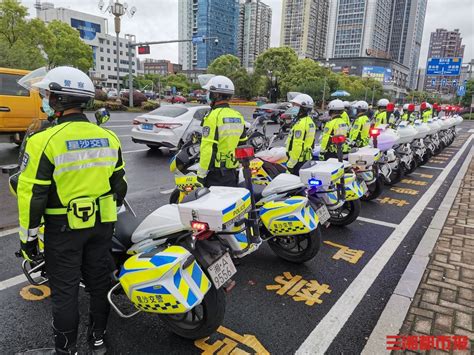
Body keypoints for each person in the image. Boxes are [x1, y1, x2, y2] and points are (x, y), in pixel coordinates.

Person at [17, 66, 127, 354]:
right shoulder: (109, 138)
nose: (46, 99)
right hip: (102, 227)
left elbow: (32, 196)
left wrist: (28, 240)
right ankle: (98, 340)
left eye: (48, 94)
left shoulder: (44, 141)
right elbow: (120, 187)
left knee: (65, 292)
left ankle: (66, 350)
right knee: (98, 284)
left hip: (63, 230)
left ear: (57, 100)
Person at [197, 75, 246, 188]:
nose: (207, 95)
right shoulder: (238, 116)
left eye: (209, 92)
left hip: (215, 175)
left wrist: (201, 176)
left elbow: (208, 148)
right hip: (233, 173)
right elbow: (242, 145)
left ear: (216, 95)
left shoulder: (213, 116)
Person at [285, 93, 316, 174]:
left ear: (303, 108)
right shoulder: (309, 121)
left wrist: (291, 164)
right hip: (305, 159)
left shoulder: (301, 124)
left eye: (295, 105)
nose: (293, 107)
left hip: (298, 162)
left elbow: (297, 146)